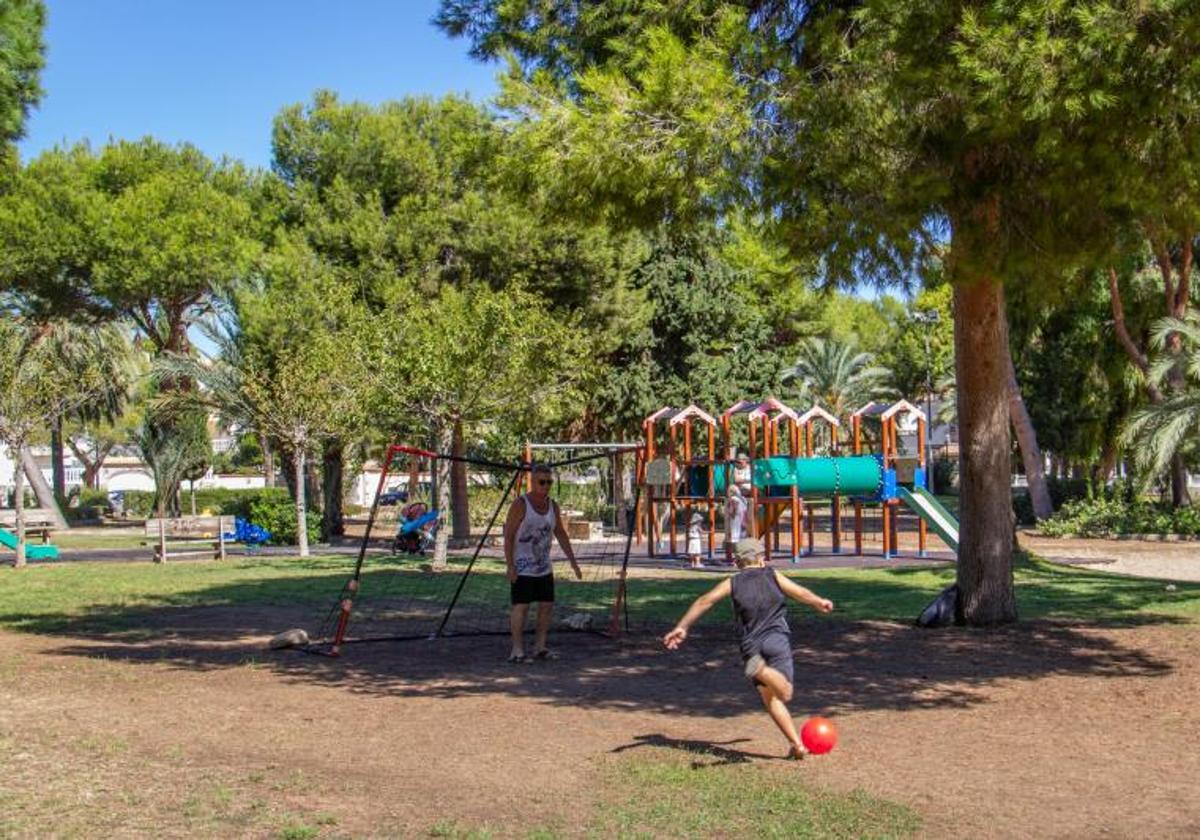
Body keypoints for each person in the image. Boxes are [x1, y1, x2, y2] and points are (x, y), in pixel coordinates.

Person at [663, 537, 834, 759]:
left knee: (769, 698)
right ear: (761, 558)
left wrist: (682, 627)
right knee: (785, 693)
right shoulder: (772, 575)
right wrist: (818, 601)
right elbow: (799, 592)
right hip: (776, 640)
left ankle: (797, 744)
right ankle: (762, 671)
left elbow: (705, 600)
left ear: (737, 562)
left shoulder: (732, 582)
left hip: (750, 646)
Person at [502, 464, 582, 663]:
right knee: (521, 606)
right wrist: (510, 565)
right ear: (532, 482)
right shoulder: (520, 504)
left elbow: (561, 533)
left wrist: (573, 562)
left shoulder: (552, 506)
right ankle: (517, 650)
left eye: (549, 482)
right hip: (522, 566)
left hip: (543, 566)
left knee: (546, 605)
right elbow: (509, 536)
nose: (546, 486)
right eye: (542, 482)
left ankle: (540, 647)